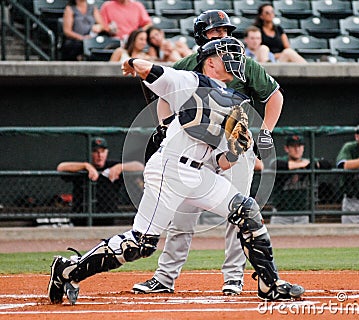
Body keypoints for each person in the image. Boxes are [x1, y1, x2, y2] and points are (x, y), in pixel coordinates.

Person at [48, 37, 305, 306]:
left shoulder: (233, 103)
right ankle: (67, 269)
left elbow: (220, 163)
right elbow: (152, 70)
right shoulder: (189, 82)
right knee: (141, 244)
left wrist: (235, 151)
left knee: (247, 209)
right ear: (210, 62)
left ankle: (269, 284)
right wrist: (133, 62)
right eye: (225, 55)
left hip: (199, 174)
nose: (234, 59)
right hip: (169, 171)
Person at [133, 10, 285, 297]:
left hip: (234, 147)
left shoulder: (243, 63)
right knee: (181, 214)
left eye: (226, 31)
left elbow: (274, 95)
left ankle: (234, 278)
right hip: (195, 150)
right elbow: (163, 98)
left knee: (239, 212)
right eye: (216, 32)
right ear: (202, 35)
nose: (222, 36)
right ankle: (165, 277)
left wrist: (265, 132)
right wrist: (165, 127)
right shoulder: (188, 64)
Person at [57, 137, 144, 226]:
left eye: (102, 151)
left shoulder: (112, 165)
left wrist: (120, 167)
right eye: (95, 151)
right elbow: (61, 167)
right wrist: (86, 166)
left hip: (107, 219)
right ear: (90, 153)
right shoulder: (82, 167)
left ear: (106, 152)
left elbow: (139, 166)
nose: (99, 155)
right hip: (81, 220)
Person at [270, 134, 331, 224]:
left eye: (299, 146)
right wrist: (301, 165)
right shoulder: (282, 161)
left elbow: (327, 164)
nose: (297, 149)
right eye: (293, 146)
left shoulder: (308, 161)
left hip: (303, 214)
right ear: (287, 148)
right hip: (281, 214)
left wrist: (312, 164)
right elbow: (273, 164)